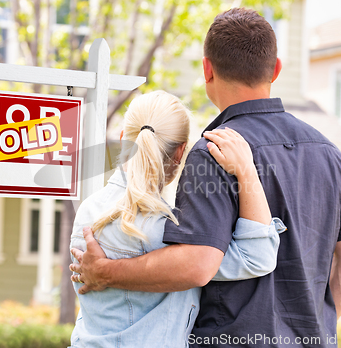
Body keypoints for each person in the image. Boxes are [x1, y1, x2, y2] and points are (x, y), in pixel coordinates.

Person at [70, 8, 341, 347]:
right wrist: (316, 329)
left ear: (206, 69)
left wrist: (107, 272)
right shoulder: (327, 151)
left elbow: (196, 263)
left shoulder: (212, 151)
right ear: (276, 70)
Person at [69, 90, 286, 347]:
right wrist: (246, 170)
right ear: (180, 152)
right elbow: (256, 255)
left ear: (122, 139)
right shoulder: (168, 230)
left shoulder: (88, 210)